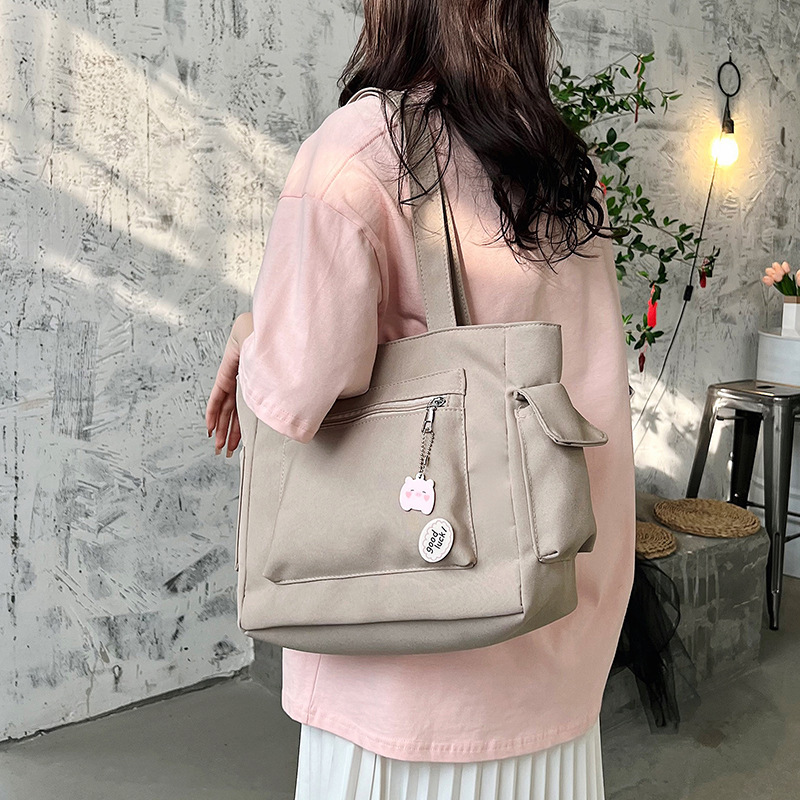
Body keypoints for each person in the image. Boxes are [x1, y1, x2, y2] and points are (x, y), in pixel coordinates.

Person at [205, 0, 636, 797]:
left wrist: (250, 330)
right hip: (556, 649)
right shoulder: (561, 167)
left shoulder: (359, 153)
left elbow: (297, 392)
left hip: (405, 689)